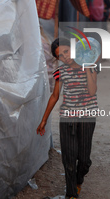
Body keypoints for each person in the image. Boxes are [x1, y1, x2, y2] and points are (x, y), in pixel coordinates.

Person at [37, 38, 98, 199]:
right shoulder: (60, 72)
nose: (65, 57)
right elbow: (55, 96)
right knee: (69, 159)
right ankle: (71, 194)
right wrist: (44, 120)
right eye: (60, 56)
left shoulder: (90, 66)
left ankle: (79, 180)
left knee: (84, 161)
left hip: (87, 117)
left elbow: (92, 91)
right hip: (68, 120)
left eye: (66, 51)